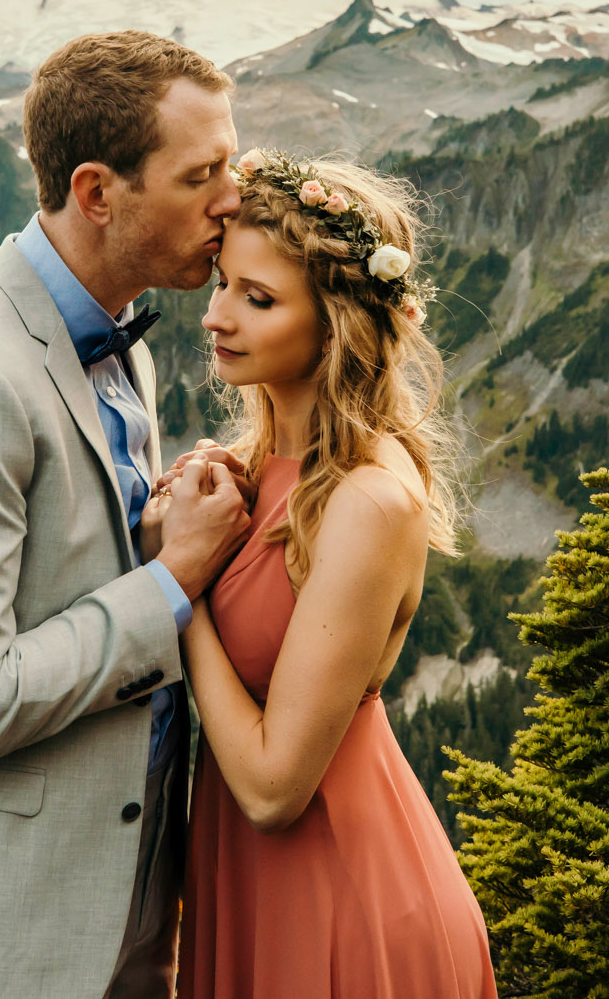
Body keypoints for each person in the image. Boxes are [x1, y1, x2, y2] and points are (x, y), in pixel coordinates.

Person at [0, 30, 256, 999]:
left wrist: (150, 534)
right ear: (98, 192)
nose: (230, 198)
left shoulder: (118, 345)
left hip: (114, 914)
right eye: (202, 174)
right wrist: (172, 577)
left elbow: (58, 580)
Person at [156, 150, 498, 999]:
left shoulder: (369, 500)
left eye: (259, 298)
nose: (217, 316)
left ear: (336, 323)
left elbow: (274, 788)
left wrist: (180, 585)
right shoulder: (274, 463)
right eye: (223, 284)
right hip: (256, 890)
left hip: (350, 905)